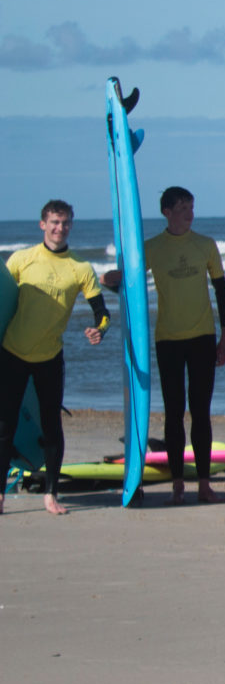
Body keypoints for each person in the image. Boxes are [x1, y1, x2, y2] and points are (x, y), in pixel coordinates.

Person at [1, 200, 109, 516]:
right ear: (42, 224)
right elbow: (3, 301)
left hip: (49, 357)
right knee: (4, 425)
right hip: (12, 353)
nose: (59, 228)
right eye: (54, 222)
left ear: (71, 225)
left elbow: (101, 312)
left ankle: (51, 493)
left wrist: (99, 330)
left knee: (52, 426)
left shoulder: (81, 268)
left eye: (65, 223)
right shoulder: (21, 259)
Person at [128, 186, 225, 503]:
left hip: (202, 338)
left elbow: (222, 290)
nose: (190, 213)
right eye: (183, 207)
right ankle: (176, 484)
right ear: (167, 212)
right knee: (173, 412)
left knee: (201, 411)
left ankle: (203, 483)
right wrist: (109, 279)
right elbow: (130, 280)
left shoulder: (205, 245)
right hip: (167, 340)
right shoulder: (152, 248)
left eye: (191, 206)